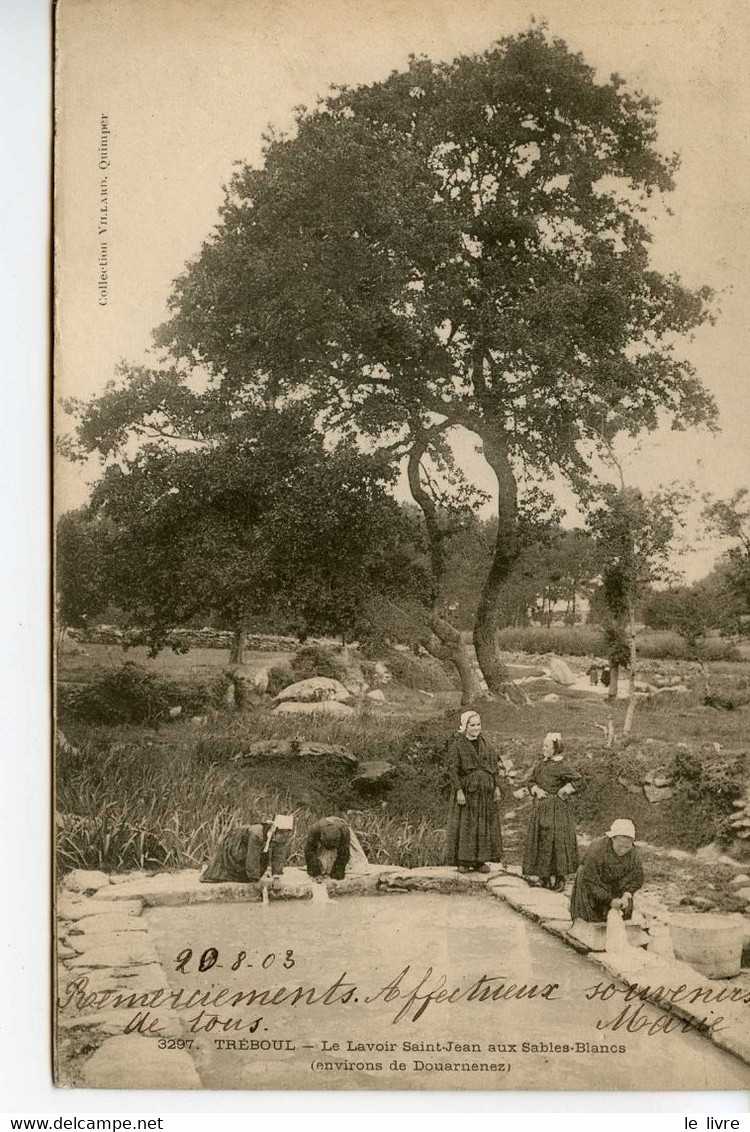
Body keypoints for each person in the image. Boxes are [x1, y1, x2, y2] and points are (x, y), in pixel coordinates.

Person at [444, 710, 503, 873]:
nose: (476, 728)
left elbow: (494, 767)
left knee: (483, 824)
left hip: (485, 793)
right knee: (466, 825)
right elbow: (453, 770)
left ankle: (480, 861)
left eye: (478, 724)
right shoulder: (458, 745)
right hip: (468, 791)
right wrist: (459, 791)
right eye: (473, 725)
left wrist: (496, 787)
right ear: (465, 727)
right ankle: (464, 860)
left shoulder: (487, 744)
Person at [522, 732, 580, 891]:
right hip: (540, 809)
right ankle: (544, 877)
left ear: (556, 748)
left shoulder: (562, 766)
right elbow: (530, 780)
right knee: (542, 841)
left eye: (547, 746)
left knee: (557, 842)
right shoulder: (541, 765)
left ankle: (560, 878)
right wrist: (536, 790)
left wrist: (566, 789)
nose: (544, 748)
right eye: (543, 746)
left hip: (557, 810)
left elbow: (580, 780)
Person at [569, 818, 644, 922]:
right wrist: (610, 900)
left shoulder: (634, 855)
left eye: (627, 847)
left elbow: (637, 878)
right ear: (613, 839)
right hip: (593, 884)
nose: (623, 850)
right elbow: (590, 880)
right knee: (588, 921)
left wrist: (627, 894)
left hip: (615, 886)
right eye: (620, 846)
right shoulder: (597, 849)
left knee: (622, 919)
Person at [201, 814, 294, 883]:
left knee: (259, 869)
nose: (283, 838)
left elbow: (279, 856)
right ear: (275, 830)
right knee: (227, 869)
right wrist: (255, 879)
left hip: (250, 848)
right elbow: (252, 856)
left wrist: (276, 877)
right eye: (281, 834)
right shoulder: (257, 834)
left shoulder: (281, 838)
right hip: (236, 843)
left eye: (286, 835)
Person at [304, 815, 369, 881]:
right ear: (321, 838)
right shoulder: (314, 830)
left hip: (341, 827)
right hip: (323, 831)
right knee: (320, 864)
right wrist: (316, 873)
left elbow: (344, 853)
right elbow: (309, 851)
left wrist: (337, 875)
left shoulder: (344, 831)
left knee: (358, 864)